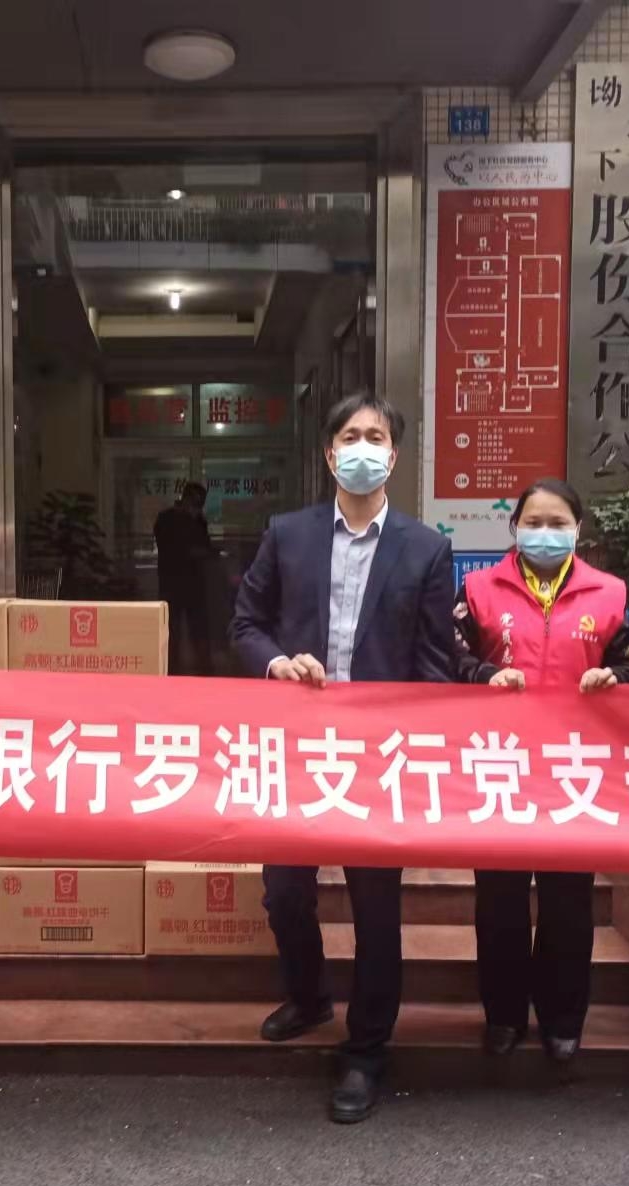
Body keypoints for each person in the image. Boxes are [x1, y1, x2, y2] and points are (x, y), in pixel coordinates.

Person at [230, 391, 463, 1123]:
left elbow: (436, 663)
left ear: (394, 454)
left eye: (377, 436)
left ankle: (366, 1049)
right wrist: (276, 663)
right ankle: (308, 997)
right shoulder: (287, 534)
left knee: (376, 907)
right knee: (284, 891)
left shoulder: (426, 549)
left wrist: (414, 743)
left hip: (379, 757)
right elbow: (246, 623)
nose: (364, 447)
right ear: (330, 453)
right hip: (296, 747)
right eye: (351, 436)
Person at [453, 479, 629, 1064]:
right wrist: (483, 675)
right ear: (514, 527)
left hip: (574, 769)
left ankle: (564, 1020)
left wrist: (615, 678)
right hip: (500, 766)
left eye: (557, 522)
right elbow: (449, 654)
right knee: (500, 901)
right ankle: (504, 1017)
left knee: (569, 902)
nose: (545, 532)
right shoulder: (477, 589)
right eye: (533, 522)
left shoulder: (610, 593)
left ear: (577, 530)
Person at [154, 481, 216, 675]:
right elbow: (173, 549)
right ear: (187, 499)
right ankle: (170, 669)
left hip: (192, 582)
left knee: (197, 629)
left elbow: (204, 546)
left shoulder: (197, 520)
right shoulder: (167, 519)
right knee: (171, 630)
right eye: (197, 503)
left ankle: (203, 670)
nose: (198, 508)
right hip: (172, 581)